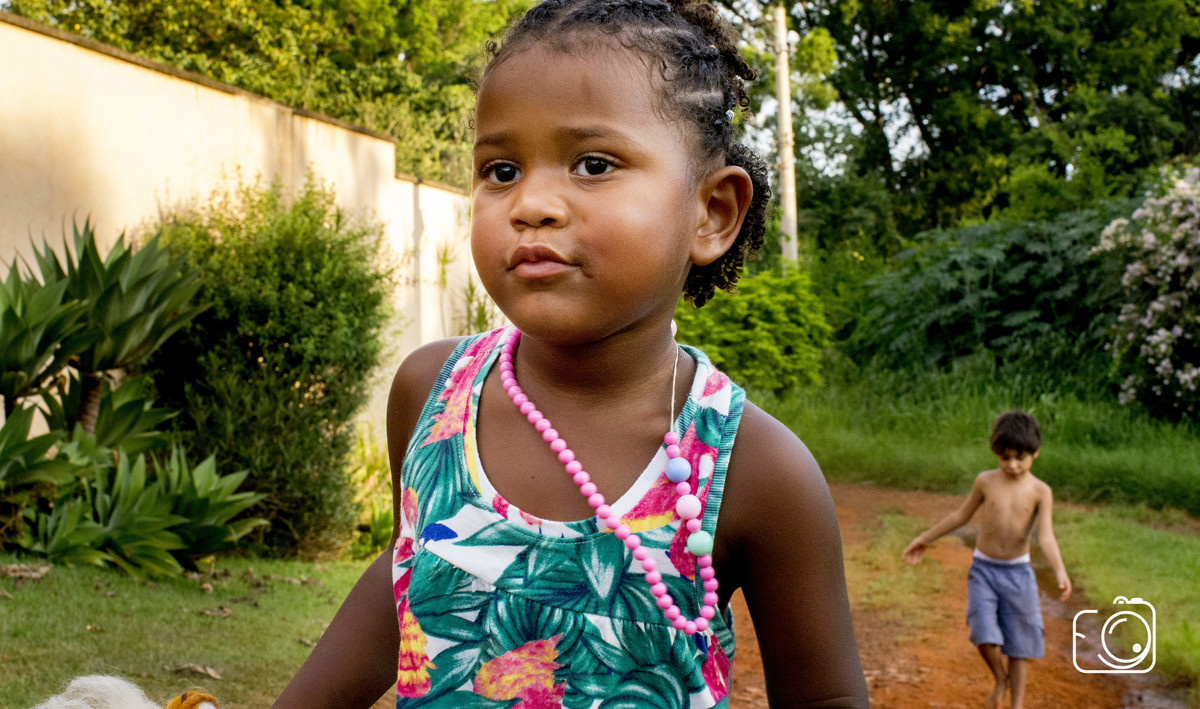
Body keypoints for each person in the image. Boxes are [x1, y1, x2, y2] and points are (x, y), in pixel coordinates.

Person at [273, 0, 867, 706]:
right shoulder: (431, 393)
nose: (531, 203)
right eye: (500, 170)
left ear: (712, 214)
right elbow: (410, 571)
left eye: (592, 163)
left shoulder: (753, 470)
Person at [902, 409, 1071, 709]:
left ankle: (1016, 704)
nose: (1013, 465)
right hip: (984, 570)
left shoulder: (1041, 491)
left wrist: (1059, 570)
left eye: (1020, 457)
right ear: (996, 454)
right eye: (1005, 457)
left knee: (1020, 645)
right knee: (983, 632)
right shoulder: (985, 481)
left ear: (1036, 453)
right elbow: (961, 515)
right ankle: (1000, 678)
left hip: (1019, 574)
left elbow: (1045, 536)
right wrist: (924, 538)